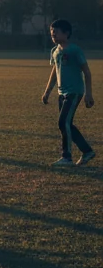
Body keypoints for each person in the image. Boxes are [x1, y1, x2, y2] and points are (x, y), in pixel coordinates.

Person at [42, 18, 95, 166]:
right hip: (62, 93)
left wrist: (88, 94)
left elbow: (87, 72)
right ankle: (87, 151)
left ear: (67, 33)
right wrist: (47, 92)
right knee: (67, 124)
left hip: (74, 91)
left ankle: (66, 157)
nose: (53, 35)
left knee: (62, 122)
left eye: (56, 33)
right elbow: (54, 72)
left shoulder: (74, 50)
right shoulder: (54, 51)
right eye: (52, 33)